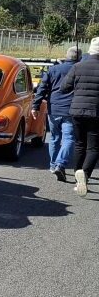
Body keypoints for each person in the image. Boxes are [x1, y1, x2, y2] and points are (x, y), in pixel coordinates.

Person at [31, 46, 81, 181]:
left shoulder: (53, 70)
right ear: (79, 58)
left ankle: (53, 165)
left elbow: (42, 88)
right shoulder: (79, 70)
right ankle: (61, 163)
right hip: (71, 110)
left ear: (66, 56)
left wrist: (35, 106)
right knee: (69, 138)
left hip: (54, 109)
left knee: (54, 138)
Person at [59, 37, 99, 196]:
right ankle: (86, 175)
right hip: (96, 112)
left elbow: (64, 88)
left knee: (79, 144)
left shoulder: (78, 66)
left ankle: (78, 176)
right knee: (94, 147)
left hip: (76, 110)